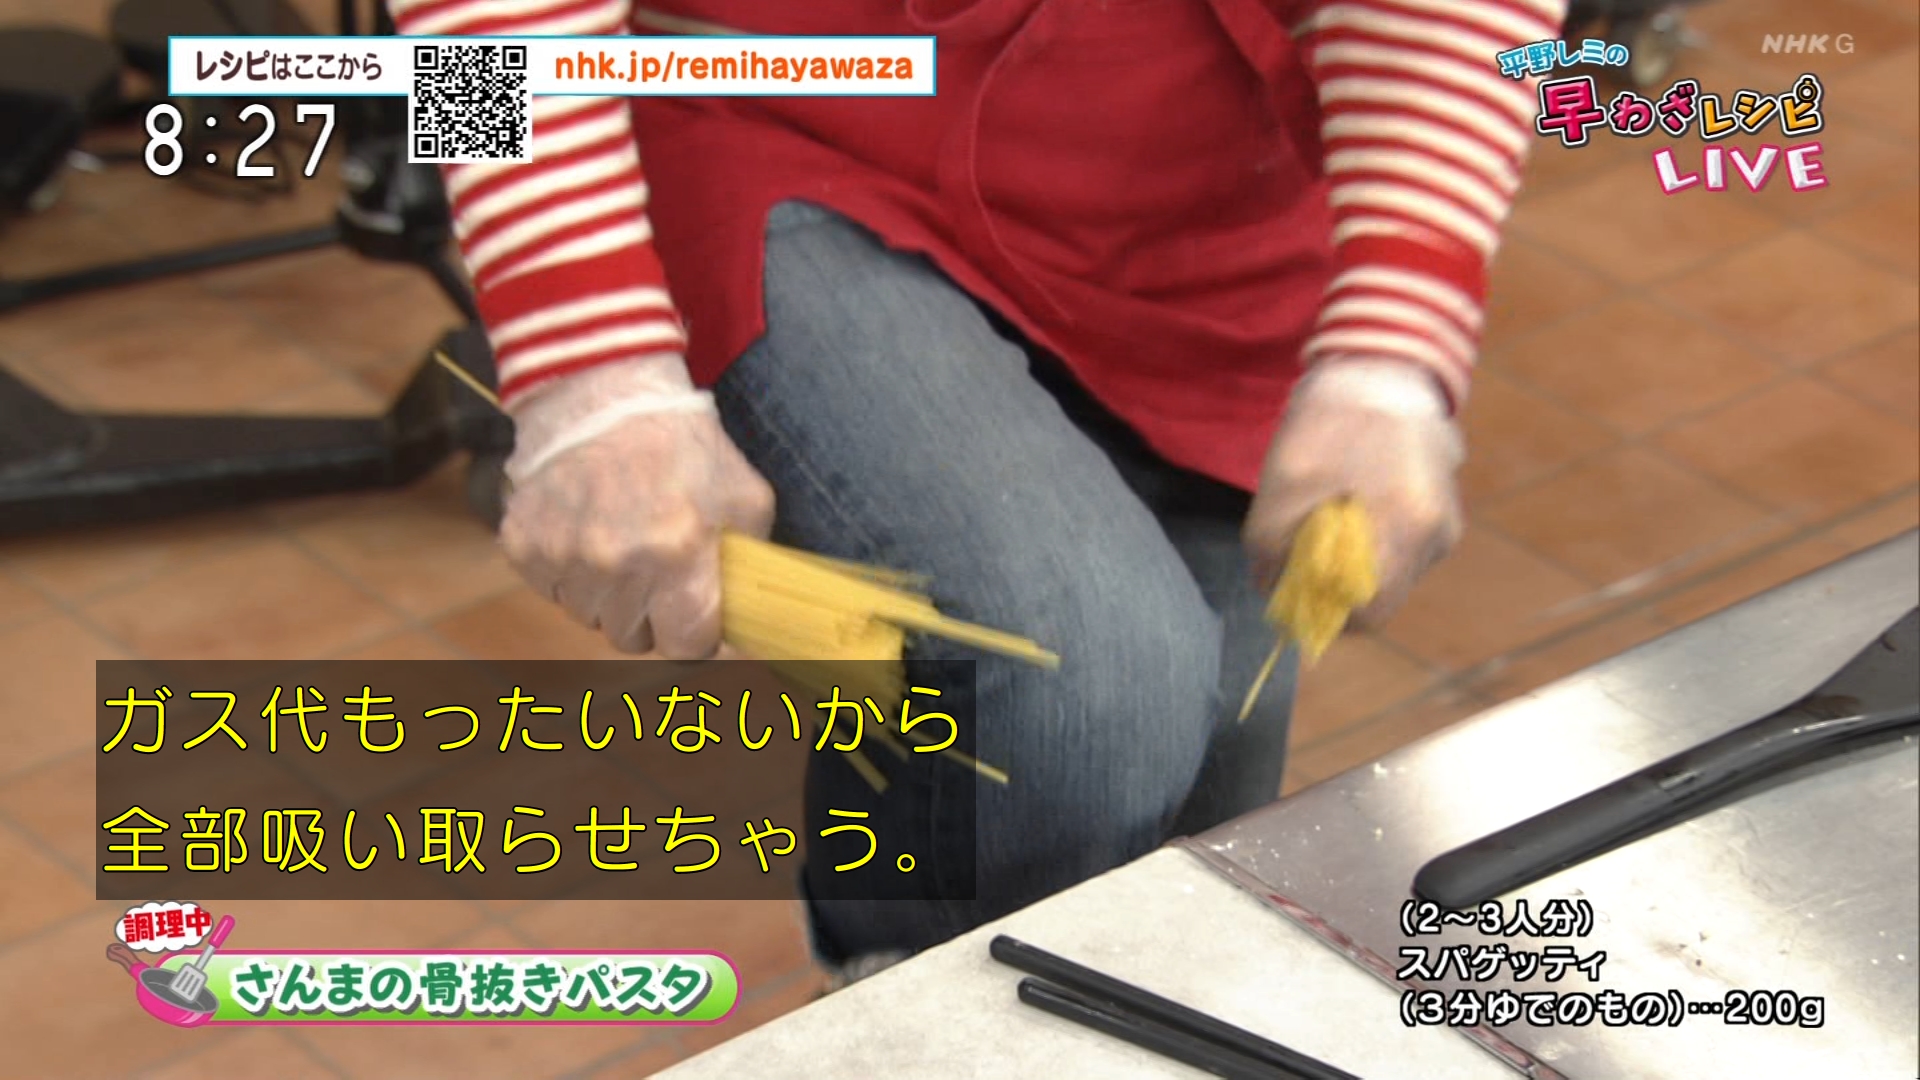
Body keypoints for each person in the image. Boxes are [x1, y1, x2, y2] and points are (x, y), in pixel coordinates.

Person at [390, 0, 1565, 983]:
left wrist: (1394, 342)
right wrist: (580, 359)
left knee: (1207, 784)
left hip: (1203, 165)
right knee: (1082, 686)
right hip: (768, 101)